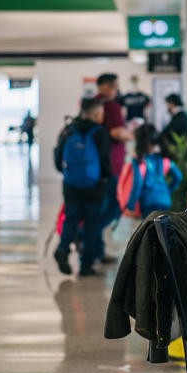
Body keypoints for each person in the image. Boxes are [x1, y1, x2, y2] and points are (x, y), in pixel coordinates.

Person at [53, 98, 112, 277]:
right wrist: (105, 179)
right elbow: (104, 161)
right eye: (101, 113)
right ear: (95, 114)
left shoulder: (68, 130)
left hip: (71, 184)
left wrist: (67, 173)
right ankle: (86, 265)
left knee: (71, 219)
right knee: (91, 224)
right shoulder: (100, 132)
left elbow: (57, 156)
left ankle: (63, 250)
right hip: (94, 186)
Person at [94, 73, 133, 263]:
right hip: (111, 164)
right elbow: (118, 133)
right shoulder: (112, 106)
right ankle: (89, 235)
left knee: (99, 207)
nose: (117, 91)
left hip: (95, 166)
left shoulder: (91, 104)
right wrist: (131, 133)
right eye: (116, 87)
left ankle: (96, 250)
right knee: (116, 206)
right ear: (109, 87)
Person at [125, 124, 183, 219]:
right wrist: (167, 191)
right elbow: (178, 177)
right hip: (165, 200)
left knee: (150, 231)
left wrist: (130, 206)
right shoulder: (165, 159)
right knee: (162, 230)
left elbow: (138, 183)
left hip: (148, 202)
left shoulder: (139, 161)